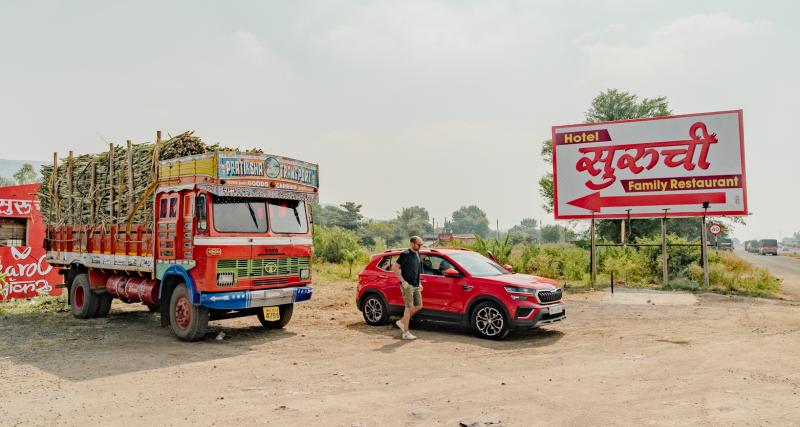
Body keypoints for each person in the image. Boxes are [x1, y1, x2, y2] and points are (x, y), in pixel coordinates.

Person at [391, 236, 424, 340]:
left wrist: (419, 282)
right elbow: (395, 267)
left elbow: (417, 270)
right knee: (408, 307)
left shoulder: (418, 253)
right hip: (407, 285)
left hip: (415, 284)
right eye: (418, 244)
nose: (420, 246)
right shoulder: (405, 254)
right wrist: (403, 281)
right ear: (412, 243)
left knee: (419, 305)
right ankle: (405, 333)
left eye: (421, 245)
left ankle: (402, 322)